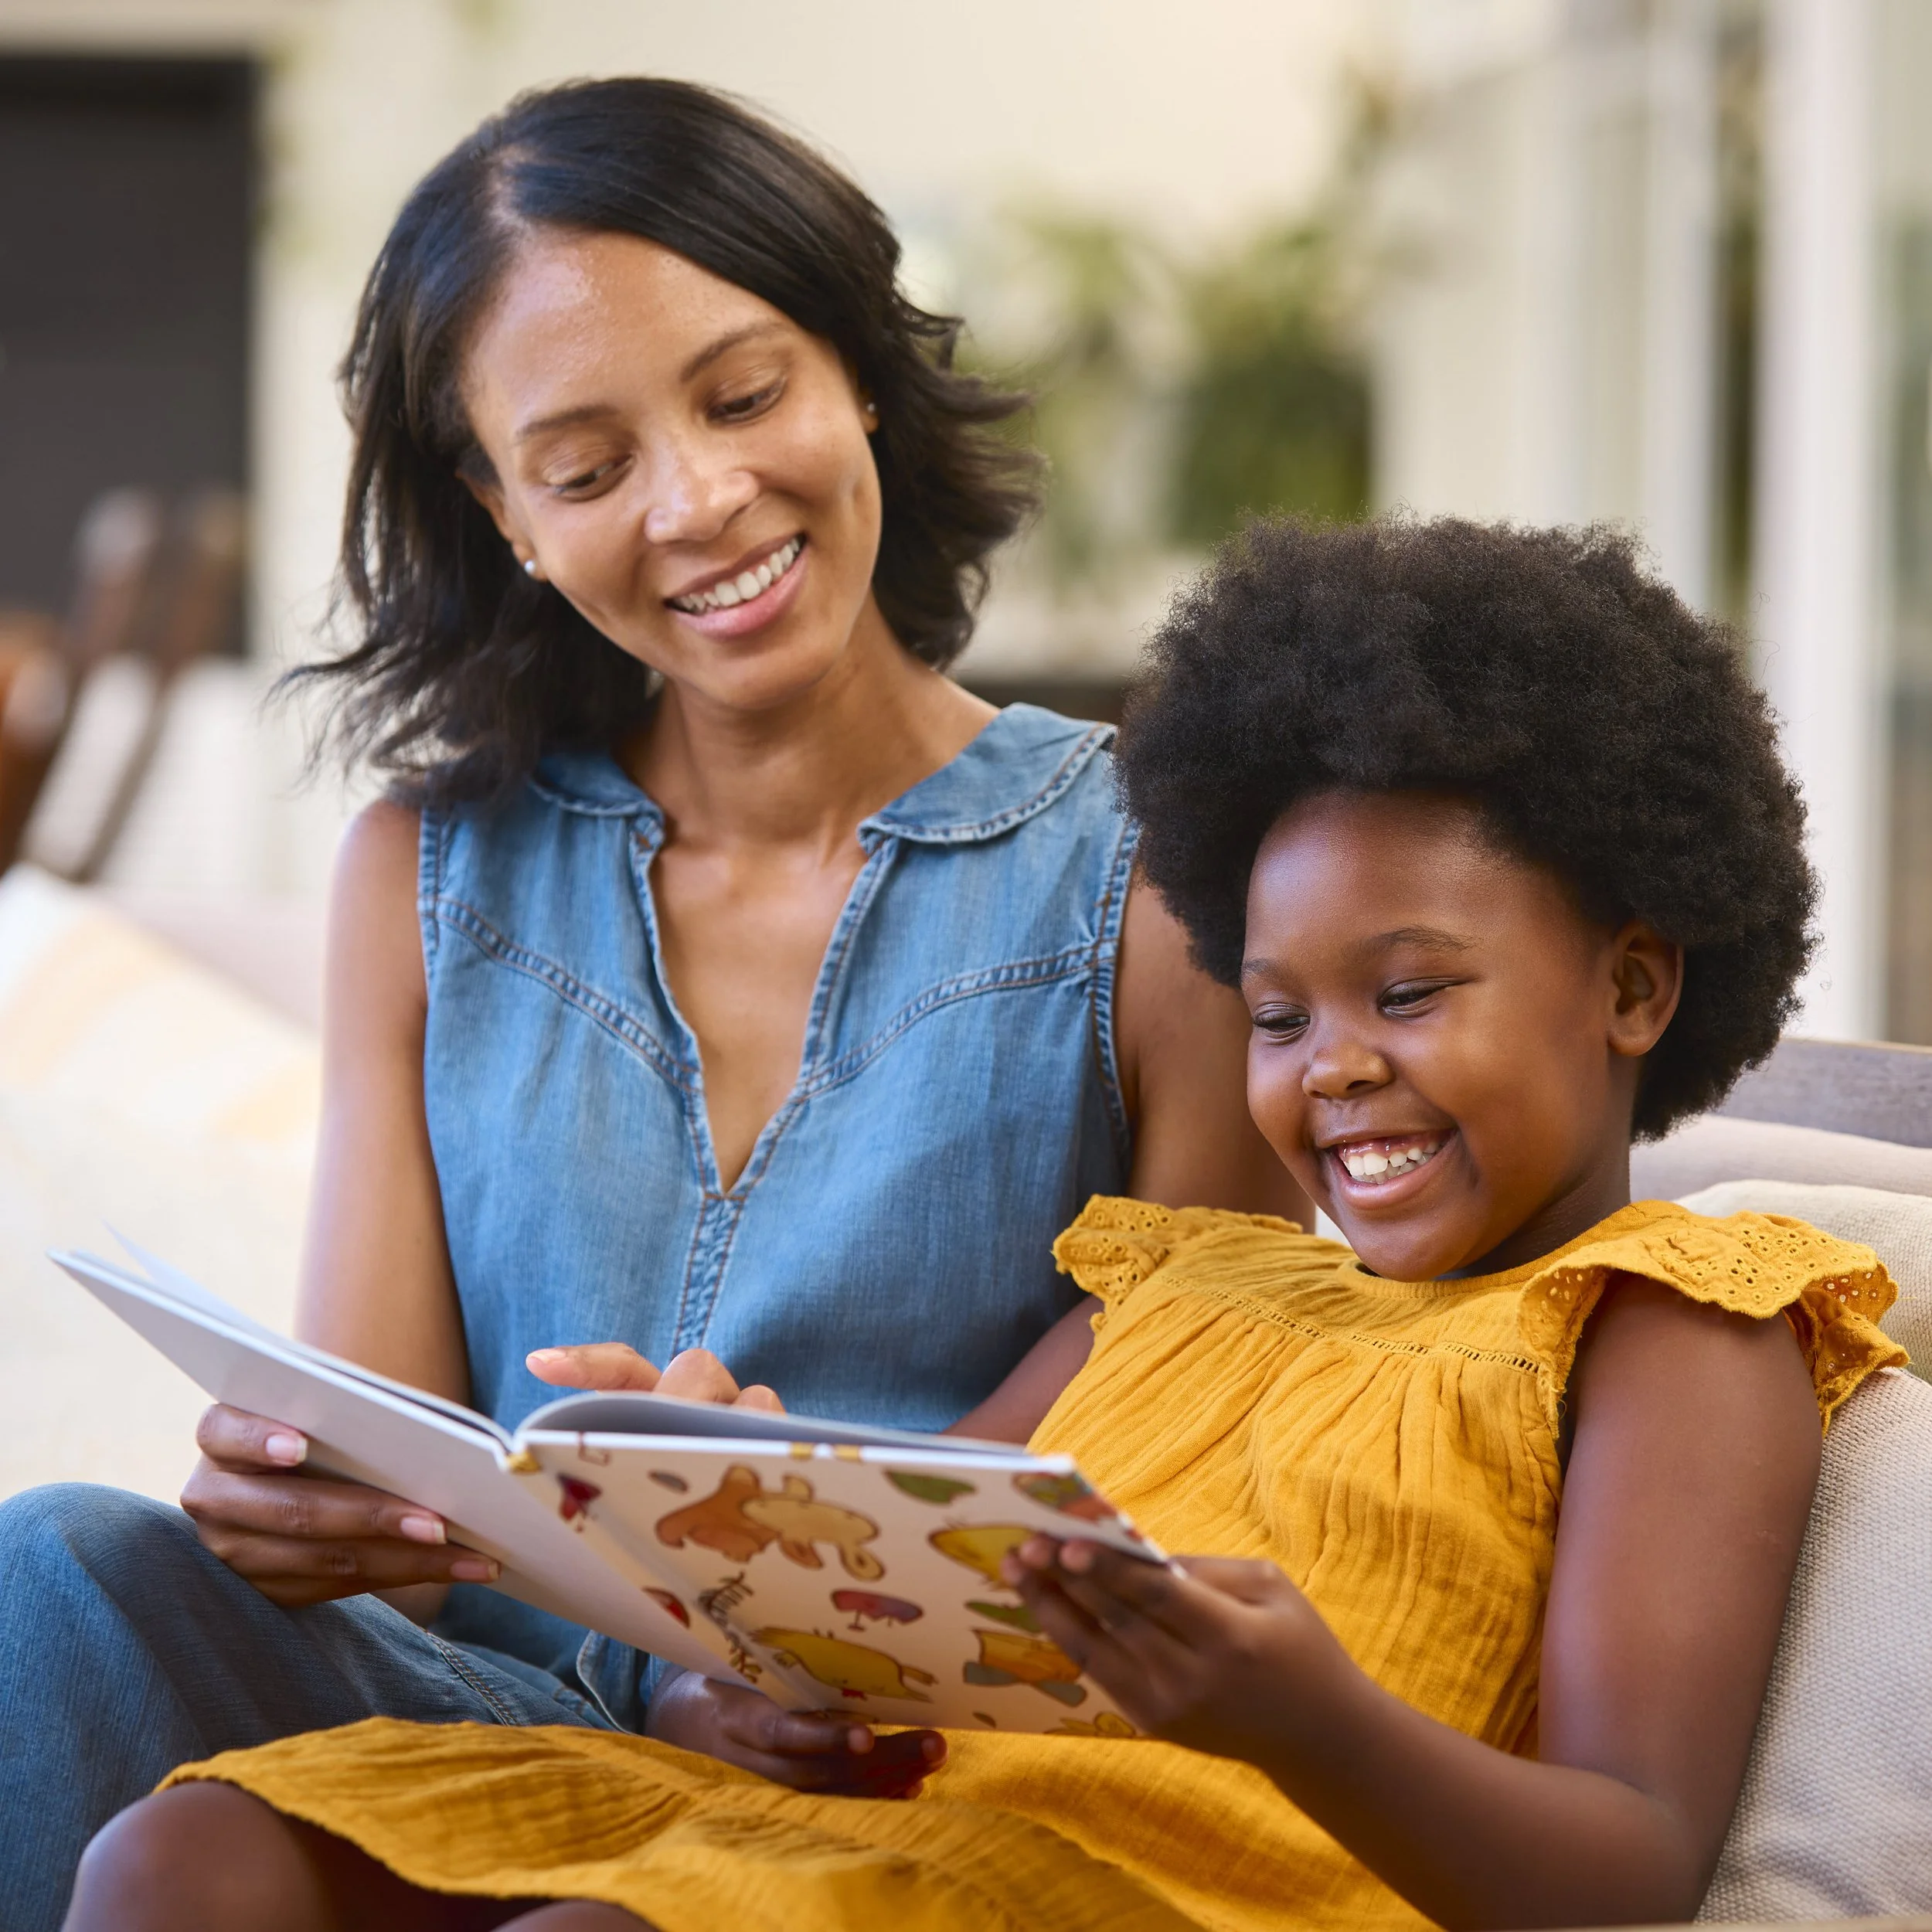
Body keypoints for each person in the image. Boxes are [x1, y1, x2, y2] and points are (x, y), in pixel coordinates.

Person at [64, 515, 1909, 1932]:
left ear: (1638, 985)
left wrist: (1297, 1717)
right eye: (1275, 1013)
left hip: (1174, 1889)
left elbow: (1631, 1864)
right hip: (885, 1838)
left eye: (1407, 994)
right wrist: (727, 1508)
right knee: (187, 1853)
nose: (1330, 1069)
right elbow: (900, 1598)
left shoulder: (1671, 1320)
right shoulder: (1169, 1278)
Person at [0, 78, 1303, 1932]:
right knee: (53, 1567)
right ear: (506, 512)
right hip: (514, 1722)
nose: (699, 502)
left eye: (743, 391)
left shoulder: (1155, 874)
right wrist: (304, 1515)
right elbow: (401, 1550)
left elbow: (1180, 1470)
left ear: (856, 366)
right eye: (587, 463)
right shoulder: (429, 873)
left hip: (925, 1782)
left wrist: (777, 1563)